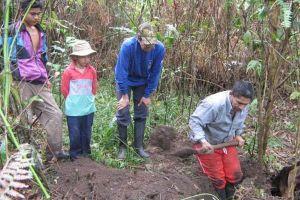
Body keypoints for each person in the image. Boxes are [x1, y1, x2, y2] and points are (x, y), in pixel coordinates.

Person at [2, 0, 68, 161]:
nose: (37, 17)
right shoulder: (12, 31)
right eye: (33, 14)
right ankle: (25, 158)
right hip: (20, 82)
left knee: (55, 114)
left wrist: (47, 76)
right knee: (24, 120)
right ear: (23, 12)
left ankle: (55, 151)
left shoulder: (41, 32)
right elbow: (3, 53)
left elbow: (43, 56)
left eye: (38, 14)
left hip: (39, 81)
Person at [189, 80, 254, 200]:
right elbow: (195, 121)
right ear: (232, 94)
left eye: (245, 104)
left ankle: (232, 196)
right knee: (218, 179)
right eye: (239, 103)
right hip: (208, 143)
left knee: (235, 175)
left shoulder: (243, 105)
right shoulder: (214, 104)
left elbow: (239, 123)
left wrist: (238, 135)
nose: (242, 107)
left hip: (227, 142)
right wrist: (203, 141)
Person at [114, 22, 166, 159]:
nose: (149, 47)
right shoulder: (128, 46)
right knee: (123, 110)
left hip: (142, 81)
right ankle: (122, 147)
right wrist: (125, 96)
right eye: (146, 45)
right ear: (138, 39)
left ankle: (139, 147)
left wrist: (147, 94)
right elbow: (121, 72)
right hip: (126, 80)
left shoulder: (159, 49)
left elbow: (155, 73)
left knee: (142, 111)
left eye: (152, 44)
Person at [61, 40, 97, 160]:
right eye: (83, 57)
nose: (87, 59)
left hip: (88, 108)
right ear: (76, 57)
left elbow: (94, 88)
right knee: (75, 133)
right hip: (73, 109)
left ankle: (86, 154)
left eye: (88, 56)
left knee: (86, 132)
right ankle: (75, 156)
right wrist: (73, 101)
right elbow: (65, 90)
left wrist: (89, 99)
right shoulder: (68, 72)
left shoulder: (92, 71)